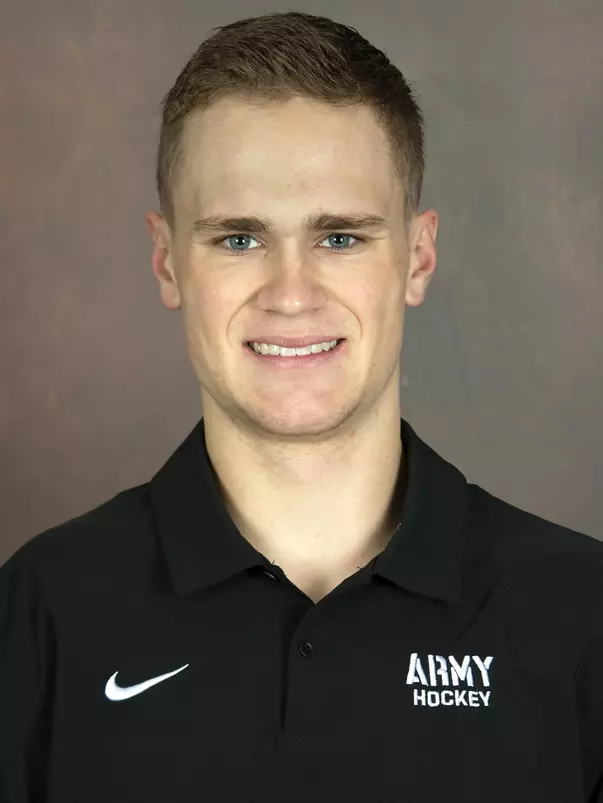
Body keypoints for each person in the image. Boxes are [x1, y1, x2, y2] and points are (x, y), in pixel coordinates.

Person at [1, 9, 602, 803]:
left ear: (417, 258)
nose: (291, 294)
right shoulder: (41, 610)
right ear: (166, 259)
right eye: (238, 239)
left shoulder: (577, 615)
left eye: (341, 237)